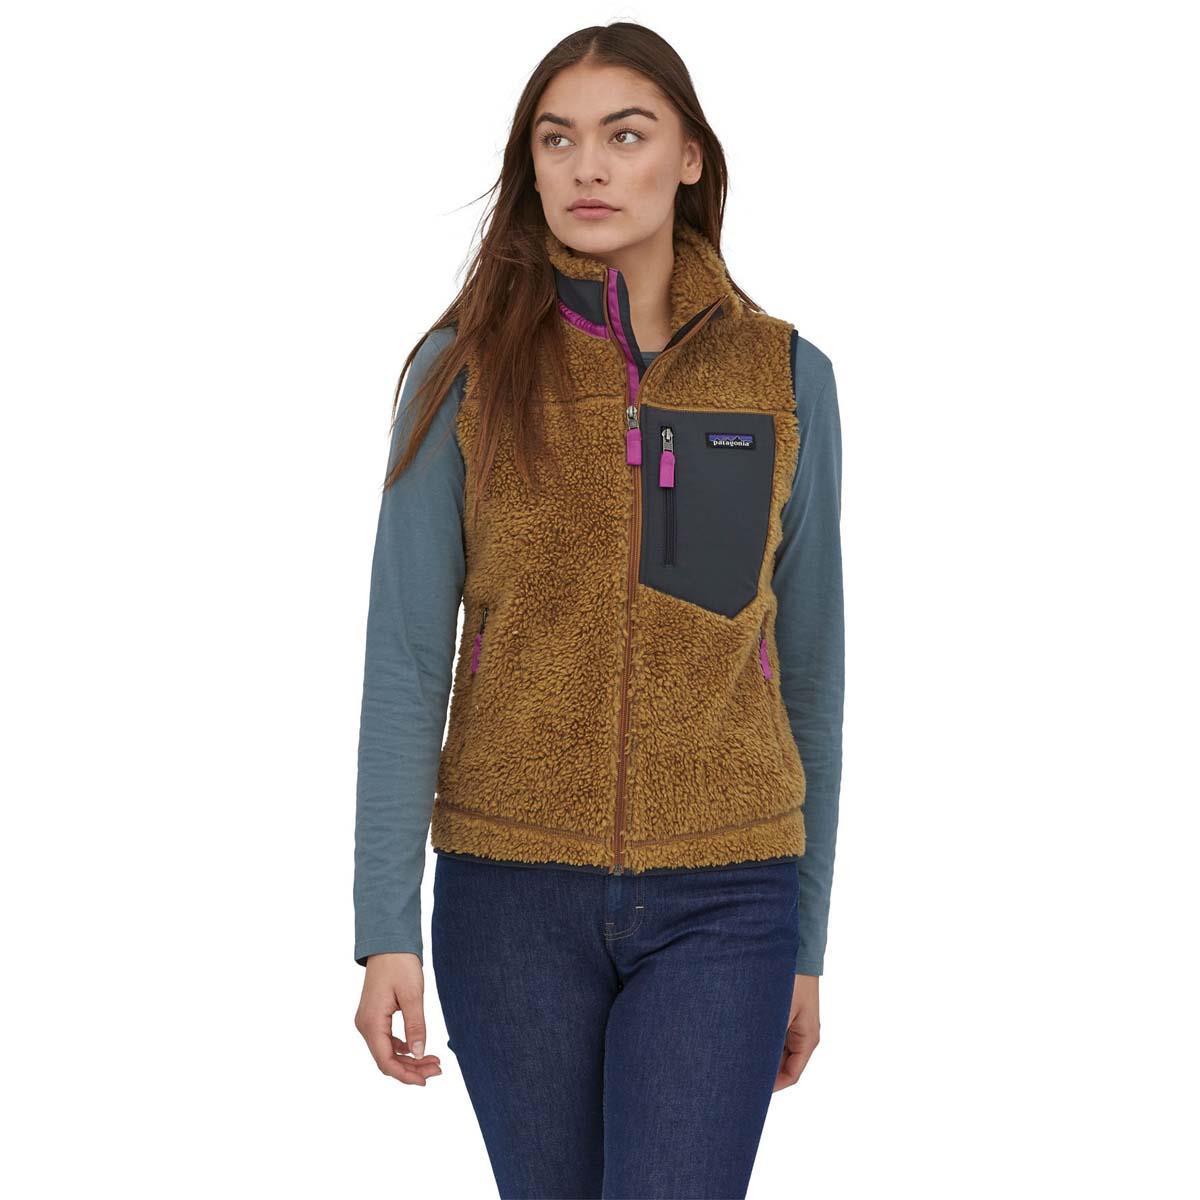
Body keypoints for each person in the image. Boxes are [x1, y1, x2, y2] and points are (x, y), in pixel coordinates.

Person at [353, 21, 845, 1200]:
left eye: (626, 136)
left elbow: (812, 665)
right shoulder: (461, 373)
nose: (588, 167)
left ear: (688, 156)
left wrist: (807, 939)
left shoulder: (785, 377)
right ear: (530, 165)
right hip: (511, 892)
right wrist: (385, 925)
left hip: (729, 890)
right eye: (556, 139)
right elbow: (408, 655)